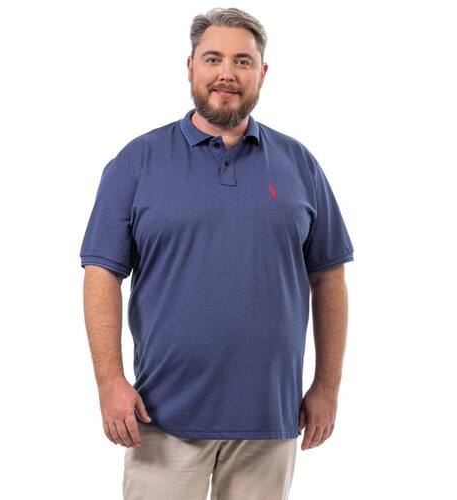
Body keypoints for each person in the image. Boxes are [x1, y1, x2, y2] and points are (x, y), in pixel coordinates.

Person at [80, 7, 354, 500]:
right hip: (160, 416)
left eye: (242, 61)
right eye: (213, 59)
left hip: (269, 419)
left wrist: (327, 387)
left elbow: (329, 276)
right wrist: (109, 381)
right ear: (191, 67)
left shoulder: (299, 164)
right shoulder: (137, 161)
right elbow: (102, 272)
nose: (227, 73)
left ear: (262, 73)